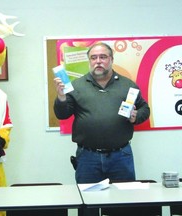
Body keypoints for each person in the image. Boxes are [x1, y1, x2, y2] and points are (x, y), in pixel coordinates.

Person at [53, 42, 150, 184]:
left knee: (121, 202)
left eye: (103, 57)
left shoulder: (127, 85)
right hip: (87, 158)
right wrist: (61, 97)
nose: (98, 61)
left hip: (120, 156)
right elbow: (62, 114)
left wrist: (136, 117)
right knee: (87, 202)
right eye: (93, 58)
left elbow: (144, 109)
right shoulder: (76, 86)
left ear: (111, 59)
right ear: (89, 61)